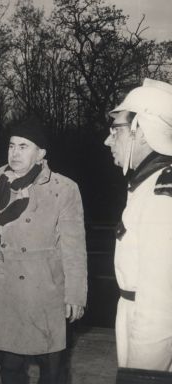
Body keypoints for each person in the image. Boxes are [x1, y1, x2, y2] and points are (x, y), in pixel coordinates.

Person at [0, 116, 87, 384]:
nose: (15, 153)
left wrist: (76, 295)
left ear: (41, 153)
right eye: (11, 146)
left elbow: (74, 248)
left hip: (45, 289)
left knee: (53, 370)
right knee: (9, 369)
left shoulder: (63, 188)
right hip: (6, 285)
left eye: (23, 146)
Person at [105, 78, 172, 371]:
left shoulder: (161, 195)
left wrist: (143, 374)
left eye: (115, 129)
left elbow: (160, 305)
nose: (108, 140)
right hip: (132, 314)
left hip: (148, 327)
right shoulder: (145, 186)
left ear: (141, 131)